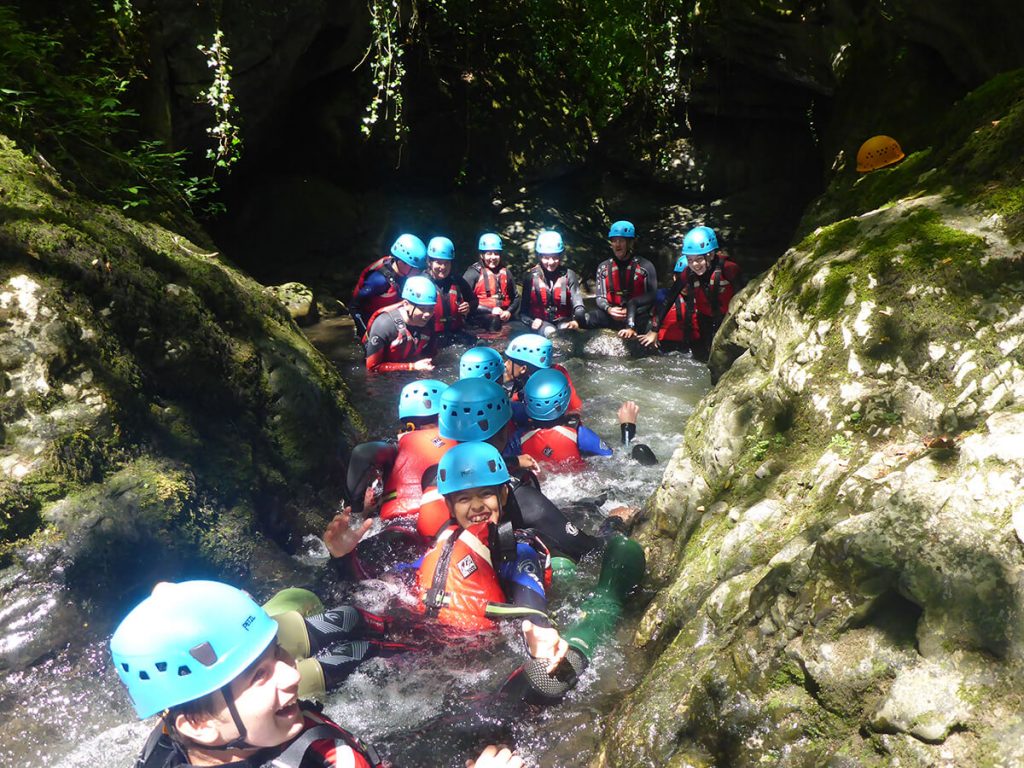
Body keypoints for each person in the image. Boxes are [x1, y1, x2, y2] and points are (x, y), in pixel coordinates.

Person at [111, 581, 522, 768]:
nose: (290, 676)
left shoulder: (172, 739)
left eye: (279, 656)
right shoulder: (322, 760)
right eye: (259, 677)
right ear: (198, 725)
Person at [417, 442, 568, 674]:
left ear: (504, 495)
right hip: (430, 651)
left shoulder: (517, 551)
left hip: (483, 658)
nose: (477, 506)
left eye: (486, 494)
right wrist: (342, 557)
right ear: (449, 506)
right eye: (464, 499)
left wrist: (537, 628)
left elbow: (529, 599)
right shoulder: (441, 550)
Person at [640, 226, 743, 361]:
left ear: (711, 255)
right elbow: (669, 299)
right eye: (689, 260)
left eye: (699, 259)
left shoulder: (729, 269)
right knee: (704, 358)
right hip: (704, 320)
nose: (695, 264)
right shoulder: (687, 273)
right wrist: (654, 330)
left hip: (727, 318)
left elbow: (743, 296)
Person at [517, 368, 638, 470]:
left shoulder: (519, 438)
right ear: (565, 401)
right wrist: (627, 425)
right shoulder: (579, 435)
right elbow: (620, 461)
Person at [378, 379, 457, 522]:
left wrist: (361, 510)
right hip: (443, 522)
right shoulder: (459, 443)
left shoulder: (393, 450)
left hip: (396, 521)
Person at [589, 220, 658, 338]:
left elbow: (651, 297)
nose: (617, 245)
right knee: (587, 317)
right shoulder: (603, 267)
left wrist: (633, 311)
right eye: (614, 241)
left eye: (621, 241)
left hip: (638, 317)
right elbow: (600, 297)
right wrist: (609, 309)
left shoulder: (646, 266)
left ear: (629, 243)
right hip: (612, 315)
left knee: (650, 325)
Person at [351, 234, 427, 336]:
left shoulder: (402, 273)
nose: (418, 272)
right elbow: (354, 307)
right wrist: (365, 333)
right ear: (401, 262)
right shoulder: (379, 281)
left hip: (391, 319)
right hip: (373, 323)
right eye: (415, 268)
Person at [517, 231, 586, 337]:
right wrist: (532, 322)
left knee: (565, 331)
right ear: (540, 257)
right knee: (550, 332)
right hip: (542, 323)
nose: (551, 262)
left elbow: (579, 306)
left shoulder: (569, 275)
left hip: (564, 321)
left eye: (555, 257)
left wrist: (577, 321)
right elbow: (523, 313)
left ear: (561, 256)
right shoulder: (530, 277)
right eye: (546, 257)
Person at [363, 275, 438, 372]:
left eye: (431, 308)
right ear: (406, 305)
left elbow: (431, 354)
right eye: (422, 309)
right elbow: (372, 367)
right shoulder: (384, 325)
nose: (427, 314)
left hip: (411, 365)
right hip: (385, 374)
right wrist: (412, 366)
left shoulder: (428, 319)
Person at [503, 333, 582, 416]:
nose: (505, 364)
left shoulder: (548, 383)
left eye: (509, 361)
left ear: (523, 369)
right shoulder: (555, 372)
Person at [639, 253, 697, 353]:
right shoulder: (662, 295)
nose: (686, 285)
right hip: (664, 347)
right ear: (675, 277)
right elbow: (636, 305)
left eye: (691, 280)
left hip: (692, 347)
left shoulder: (702, 298)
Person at [425, 236, 478, 345]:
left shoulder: (457, 280)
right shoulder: (421, 282)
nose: (443, 267)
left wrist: (468, 306)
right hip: (430, 336)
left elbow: (474, 301)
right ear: (429, 262)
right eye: (438, 262)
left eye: (446, 263)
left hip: (456, 333)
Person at [464, 233, 520, 331]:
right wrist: (491, 310)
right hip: (479, 319)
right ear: (482, 255)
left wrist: (509, 312)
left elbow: (515, 298)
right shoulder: (473, 273)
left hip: (503, 317)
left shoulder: (506, 272)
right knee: (494, 321)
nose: (493, 257)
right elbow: (464, 303)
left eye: (496, 254)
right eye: (489, 253)